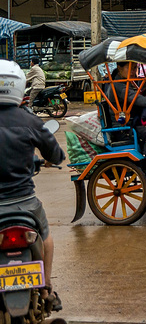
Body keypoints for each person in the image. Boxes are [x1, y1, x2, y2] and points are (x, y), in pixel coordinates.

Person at [0, 60, 65, 311]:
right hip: (25, 204)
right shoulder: (30, 120)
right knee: (46, 237)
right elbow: (56, 155)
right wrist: (48, 160)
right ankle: (47, 288)